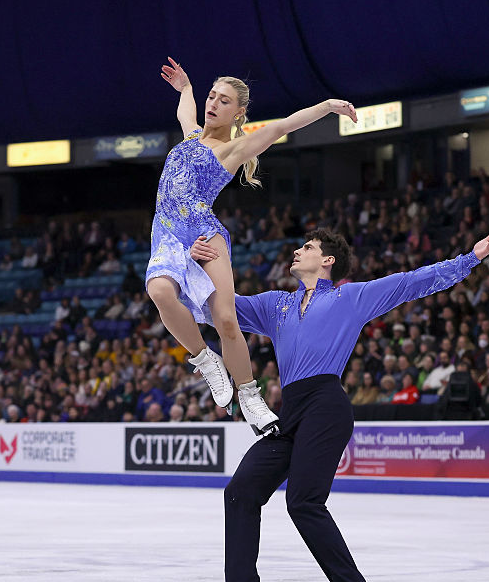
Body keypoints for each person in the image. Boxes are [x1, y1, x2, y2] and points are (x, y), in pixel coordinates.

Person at [192, 228, 489, 582]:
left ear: (328, 261)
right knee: (240, 491)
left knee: (304, 502)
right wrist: (197, 268)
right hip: (291, 411)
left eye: (307, 247)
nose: (297, 250)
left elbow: (412, 282)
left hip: (326, 406)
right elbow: (218, 309)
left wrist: (470, 259)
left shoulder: (350, 297)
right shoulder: (276, 305)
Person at [145, 57, 358, 437]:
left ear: (238, 112)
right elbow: (185, 112)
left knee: (227, 320)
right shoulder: (191, 136)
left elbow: (282, 126)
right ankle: (205, 360)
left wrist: (327, 106)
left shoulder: (233, 150)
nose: (214, 103)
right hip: (167, 233)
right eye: (212, 96)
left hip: (204, 233)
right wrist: (187, 88)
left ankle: (250, 396)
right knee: (160, 291)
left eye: (224, 100)